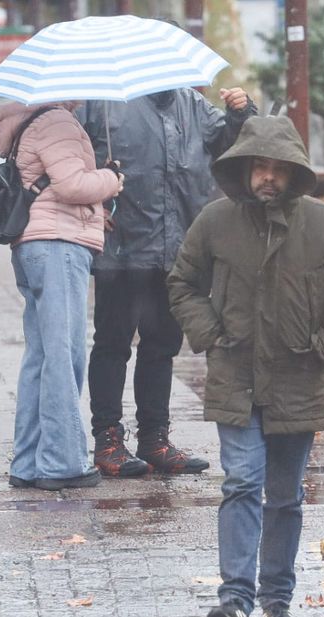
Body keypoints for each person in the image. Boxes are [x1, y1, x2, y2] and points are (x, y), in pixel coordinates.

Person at [166, 115, 324, 617]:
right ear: (243, 169)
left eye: (278, 168)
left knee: (284, 496)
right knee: (241, 481)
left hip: (298, 379)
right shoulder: (216, 220)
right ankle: (235, 602)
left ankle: (277, 604)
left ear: (293, 172)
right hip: (235, 376)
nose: (267, 177)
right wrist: (211, 334)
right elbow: (183, 283)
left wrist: (323, 347)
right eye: (259, 166)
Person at [76, 86, 256, 478]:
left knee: (162, 346)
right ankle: (108, 438)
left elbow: (231, 146)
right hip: (122, 250)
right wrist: (92, 202)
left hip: (177, 250)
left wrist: (240, 114)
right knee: (112, 344)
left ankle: (154, 438)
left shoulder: (194, 105)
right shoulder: (104, 105)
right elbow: (72, 157)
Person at [0, 101, 125, 491]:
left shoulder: (31, 119)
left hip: (35, 244)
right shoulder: (57, 120)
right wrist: (111, 178)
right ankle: (61, 462)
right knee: (65, 355)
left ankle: (29, 461)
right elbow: (71, 185)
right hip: (58, 245)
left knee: (42, 356)